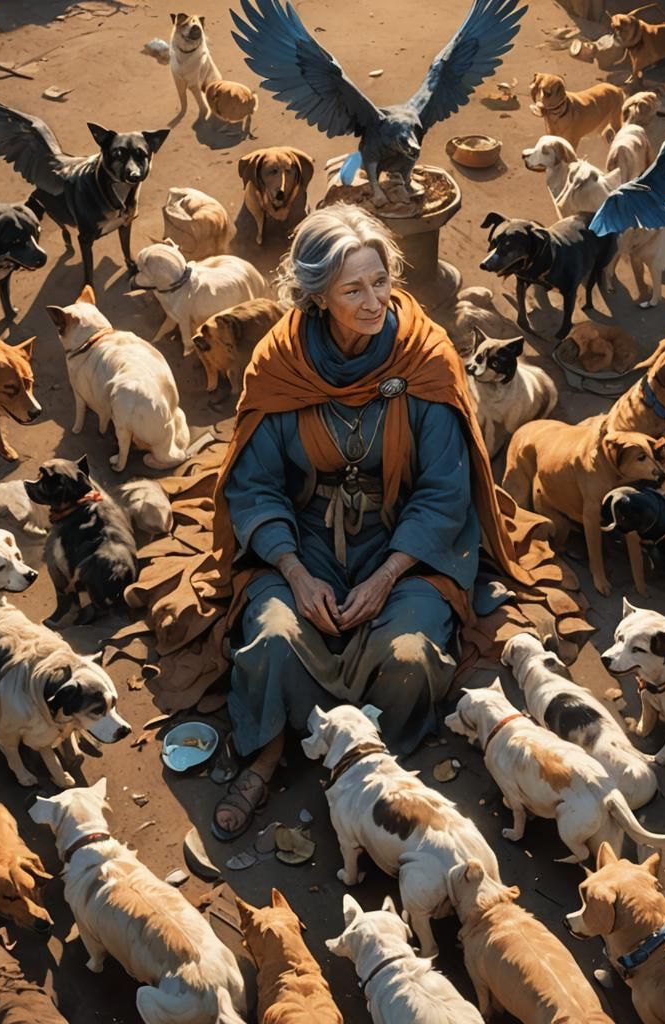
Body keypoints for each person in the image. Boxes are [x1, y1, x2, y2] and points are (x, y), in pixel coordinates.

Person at [207, 204, 565, 840]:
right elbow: (256, 486)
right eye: (353, 289)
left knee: (409, 657)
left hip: (407, 543)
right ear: (316, 296)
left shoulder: (424, 359)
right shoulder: (279, 364)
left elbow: (444, 490)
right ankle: (265, 753)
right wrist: (291, 569)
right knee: (270, 643)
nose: (374, 302)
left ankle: (374, 761)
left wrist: (388, 574)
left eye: (381, 281)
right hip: (303, 539)